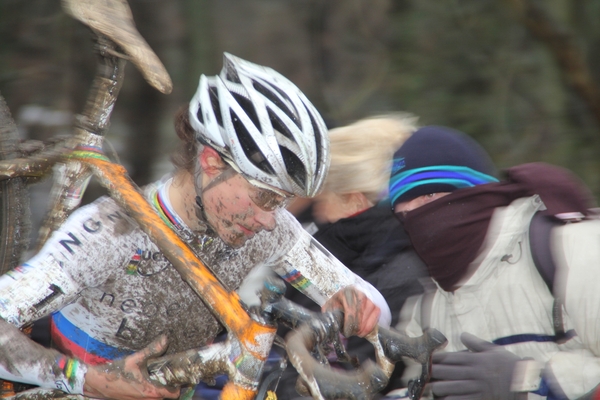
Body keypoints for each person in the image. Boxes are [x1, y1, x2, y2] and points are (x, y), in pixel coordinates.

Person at [0, 53, 391, 400]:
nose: (272, 218)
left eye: (285, 201)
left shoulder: (268, 229)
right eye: (266, 197)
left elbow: (374, 305)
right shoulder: (108, 232)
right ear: (211, 162)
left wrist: (356, 306)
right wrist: (86, 380)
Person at [388, 125, 600, 399]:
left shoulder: (571, 250)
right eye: (403, 213)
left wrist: (529, 383)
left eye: (429, 197)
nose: (417, 221)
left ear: (475, 193)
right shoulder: (424, 308)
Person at [276, 114, 429, 399]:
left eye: (324, 197)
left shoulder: (389, 278)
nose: (318, 212)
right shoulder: (379, 256)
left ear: (354, 200)